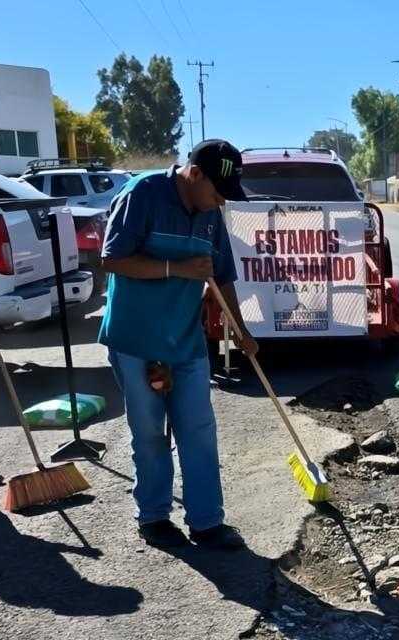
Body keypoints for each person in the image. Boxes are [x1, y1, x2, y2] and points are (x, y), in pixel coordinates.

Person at [99, 139, 258, 550]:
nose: (221, 202)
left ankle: (207, 522)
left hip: (185, 341)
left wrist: (241, 331)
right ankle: (153, 516)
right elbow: (112, 258)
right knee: (150, 431)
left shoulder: (210, 216)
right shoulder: (143, 194)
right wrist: (176, 268)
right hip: (135, 338)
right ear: (195, 173)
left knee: (199, 430)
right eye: (217, 191)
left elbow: (222, 276)